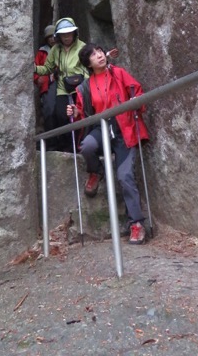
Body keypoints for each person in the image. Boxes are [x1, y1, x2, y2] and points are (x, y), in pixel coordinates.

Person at [66, 42, 150, 245]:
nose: (100, 56)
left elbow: (137, 91)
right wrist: (75, 113)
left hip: (124, 127)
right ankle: (96, 171)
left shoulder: (118, 73)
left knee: (125, 176)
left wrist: (135, 103)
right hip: (101, 126)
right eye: (94, 55)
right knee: (87, 146)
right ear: (88, 63)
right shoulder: (85, 87)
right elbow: (83, 113)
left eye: (100, 52)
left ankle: (136, 224)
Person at [33, 17, 87, 151]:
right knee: (61, 115)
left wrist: (85, 85)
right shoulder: (55, 50)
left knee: (81, 115)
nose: (67, 37)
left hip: (80, 87)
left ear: (75, 33)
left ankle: (80, 144)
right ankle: (66, 146)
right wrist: (33, 68)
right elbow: (47, 68)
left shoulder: (82, 47)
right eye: (63, 34)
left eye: (69, 33)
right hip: (63, 88)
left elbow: (87, 68)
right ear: (59, 36)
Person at [34, 25, 57, 135]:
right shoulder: (42, 52)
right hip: (46, 85)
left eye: (54, 36)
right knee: (48, 110)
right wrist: (37, 79)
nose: (52, 39)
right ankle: (50, 139)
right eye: (49, 37)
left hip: (60, 83)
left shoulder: (61, 50)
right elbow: (35, 67)